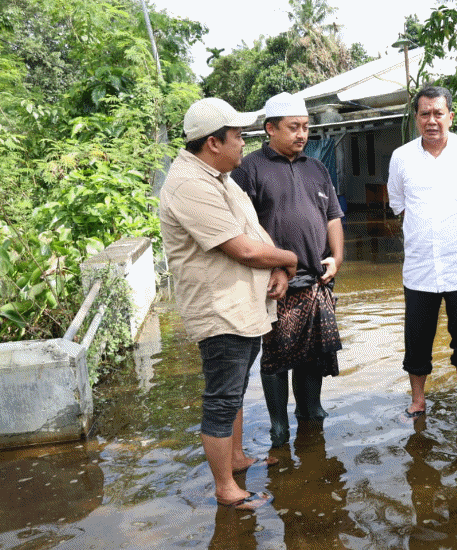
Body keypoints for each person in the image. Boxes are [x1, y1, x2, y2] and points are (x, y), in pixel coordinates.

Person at [159, 97, 299, 510]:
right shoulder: (190, 185)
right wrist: (289, 259)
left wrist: (279, 268)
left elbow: (252, 230)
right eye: (238, 136)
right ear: (213, 142)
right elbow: (243, 249)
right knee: (221, 398)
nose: (243, 144)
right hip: (220, 310)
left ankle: (236, 458)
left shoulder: (219, 177)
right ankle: (225, 488)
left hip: (242, 306)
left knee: (234, 390)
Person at [231, 92, 344, 447]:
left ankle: (310, 411)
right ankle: (278, 425)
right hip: (275, 283)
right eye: (294, 127)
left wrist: (337, 257)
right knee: (277, 356)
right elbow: (242, 226)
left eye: (306, 127)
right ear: (271, 129)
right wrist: (274, 264)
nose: (302, 134)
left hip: (316, 280)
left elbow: (333, 217)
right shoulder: (250, 169)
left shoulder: (316, 168)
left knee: (312, 352)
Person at [387, 86, 457, 429]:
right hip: (420, 268)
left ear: (451, 116)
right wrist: (427, 230)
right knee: (416, 340)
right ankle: (417, 401)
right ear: (416, 118)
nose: (432, 120)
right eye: (425, 114)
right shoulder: (401, 157)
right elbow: (398, 203)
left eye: (438, 113)